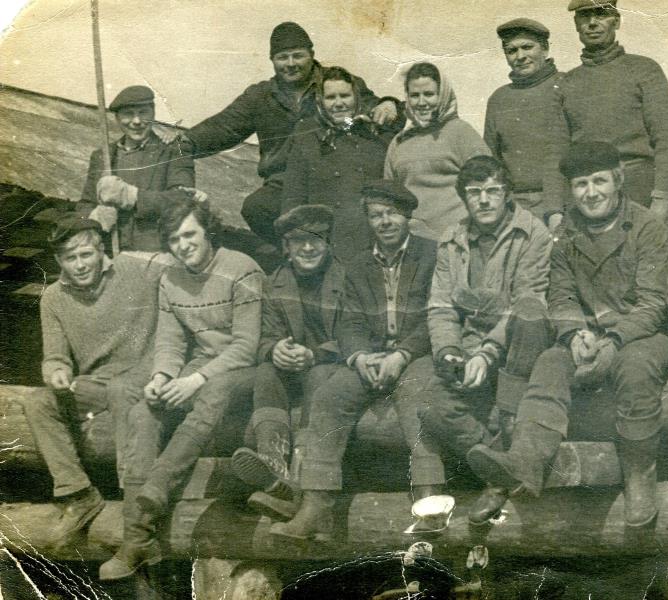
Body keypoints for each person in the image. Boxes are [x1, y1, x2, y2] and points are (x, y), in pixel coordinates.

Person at [466, 143, 668, 529]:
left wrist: (613, 340)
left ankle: (639, 476)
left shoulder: (648, 228)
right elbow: (561, 296)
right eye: (581, 184)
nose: (590, 193)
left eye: (599, 182)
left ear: (618, 181)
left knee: (636, 368)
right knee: (549, 361)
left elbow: (652, 305)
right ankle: (523, 463)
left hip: (641, 335)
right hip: (588, 335)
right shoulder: (564, 235)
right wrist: (575, 332)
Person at [100, 198, 264, 579]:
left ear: (208, 232)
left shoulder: (242, 268)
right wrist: (161, 378)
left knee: (214, 393)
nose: (183, 245)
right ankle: (137, 538)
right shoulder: (170, 279)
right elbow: (171, 342)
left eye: (190, 234)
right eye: (174, 239)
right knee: (144, 410)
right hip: (203, 365)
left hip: (250, 369)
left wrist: (195, 380)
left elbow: (247, 345)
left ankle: (158, 483)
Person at [272, 181, 440, 541]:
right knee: (329, 397)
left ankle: (428, 500)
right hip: (374, 355)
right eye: (376, 215)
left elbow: (436, 316)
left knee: (416, 398)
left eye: (392, 213)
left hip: (418, 354)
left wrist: (403, 355)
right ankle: (317, 505)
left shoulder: (431, 255)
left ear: (407, 216)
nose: (385, 222)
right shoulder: (359, 264)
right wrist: (360, 356)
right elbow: (350, 322)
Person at [176, 22, 400, 246]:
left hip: (329, 174)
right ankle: (290, 253)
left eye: (298, 56)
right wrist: (185, 143)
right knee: (257, 207)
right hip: (282, 183)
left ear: (311, 55)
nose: (291, 64)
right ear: (272, 60)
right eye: (283, 57)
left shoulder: (333, 83)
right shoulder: (260, 96)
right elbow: (223, 127)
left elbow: (374, 107)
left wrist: (389, 104)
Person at [417, 155, 552, 504]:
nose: (484, 200)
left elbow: (527, 303)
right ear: (464, 197)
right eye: (474, 192)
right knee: (431, 405)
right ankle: (496, 461)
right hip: (470, 348)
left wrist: (487, 353)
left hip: (518, 348)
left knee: (529, 317)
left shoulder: (532, 233)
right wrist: (449, 351)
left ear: (507, 193)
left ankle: (500, 468)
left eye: (493, 191)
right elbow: (441, 306)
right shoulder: (452, 239)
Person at [25, 216, 165, 550]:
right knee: (37, 402)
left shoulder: (134, 271)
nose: (80, 265)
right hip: (94, 385)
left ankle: (132, 498)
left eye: (86, 254)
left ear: (101, 250)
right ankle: (79, 494)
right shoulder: (53, 297)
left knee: (120, 392)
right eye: (70, 258)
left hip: (140, 376)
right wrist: (56, 372)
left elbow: (180, 269)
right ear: (59, 261)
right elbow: (55, 356)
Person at [230, 204, 345, 519]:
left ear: (327, 242)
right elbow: (266, 335)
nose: (307, 248)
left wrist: (315, 354)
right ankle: (274, 467)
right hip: (296, 370)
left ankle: (300, 477)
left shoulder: (346, 278)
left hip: (335, 368)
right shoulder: (275, 282)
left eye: (315, 239)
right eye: (298, 241)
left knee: (320, 376)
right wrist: (275, 349)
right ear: (286, 247)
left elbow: (355, 335)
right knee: (267, 372)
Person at [559, 0, 668, 230]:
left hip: (639, 191)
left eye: (601, 14)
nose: (592, 23)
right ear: (576, 24)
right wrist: (559, 208)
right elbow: (559, 150)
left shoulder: (644, 70)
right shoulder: (567, 82)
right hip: (588, 197)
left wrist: (663, 198)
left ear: (616, 21)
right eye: (585, 17)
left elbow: (666, 139)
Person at [281, 66, 399, 256]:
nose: (338, 103)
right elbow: (294, 196)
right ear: (320, 101)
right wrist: (293, 244)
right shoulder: (306, 136)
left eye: (345, 96)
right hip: (327, 243)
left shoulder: (374, 133)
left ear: (356, 98)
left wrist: (391, 102)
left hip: (373, 241)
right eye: (330, 97)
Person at [80, 85, 202, 251]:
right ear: (117, 118)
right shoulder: (103, 156)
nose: (136, 121)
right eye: (128, 114)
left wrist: (133, 196)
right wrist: (93, 216)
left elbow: (183, 200)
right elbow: (85, 204)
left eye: (143, 112)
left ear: (153, 113)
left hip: (156, 253)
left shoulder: (174, 150)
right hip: (109, 252)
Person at [384, 62, 491, 241]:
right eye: (415, 95)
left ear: (442, 95)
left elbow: (488, 187)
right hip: (414, 244)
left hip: (458, 241)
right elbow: (390, 196)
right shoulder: (399, 142)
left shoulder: (461, 133)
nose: (422, 102)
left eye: (429, 94)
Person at [484, 18, 568, 219]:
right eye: (512, 51)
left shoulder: (567, 85)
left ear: (545, 49)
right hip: (515, 207)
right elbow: (492, 160)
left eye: (527, 47)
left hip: (565, 201)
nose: (520, 56)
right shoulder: (499, 99)